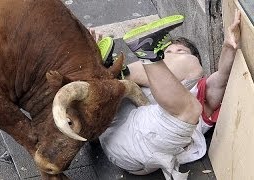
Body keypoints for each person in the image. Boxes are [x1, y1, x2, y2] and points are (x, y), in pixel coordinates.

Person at [92, 9, 241, 180]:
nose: (174, 56)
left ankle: (112, 71)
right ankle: (113, 69)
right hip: (111, 123)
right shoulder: (146, 79)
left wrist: (229, 46)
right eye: (167, 53)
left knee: (191, 87)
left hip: (136, 147)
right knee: (128, 85)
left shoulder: (200, 91)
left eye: (180, 51)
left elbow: (222, 76)